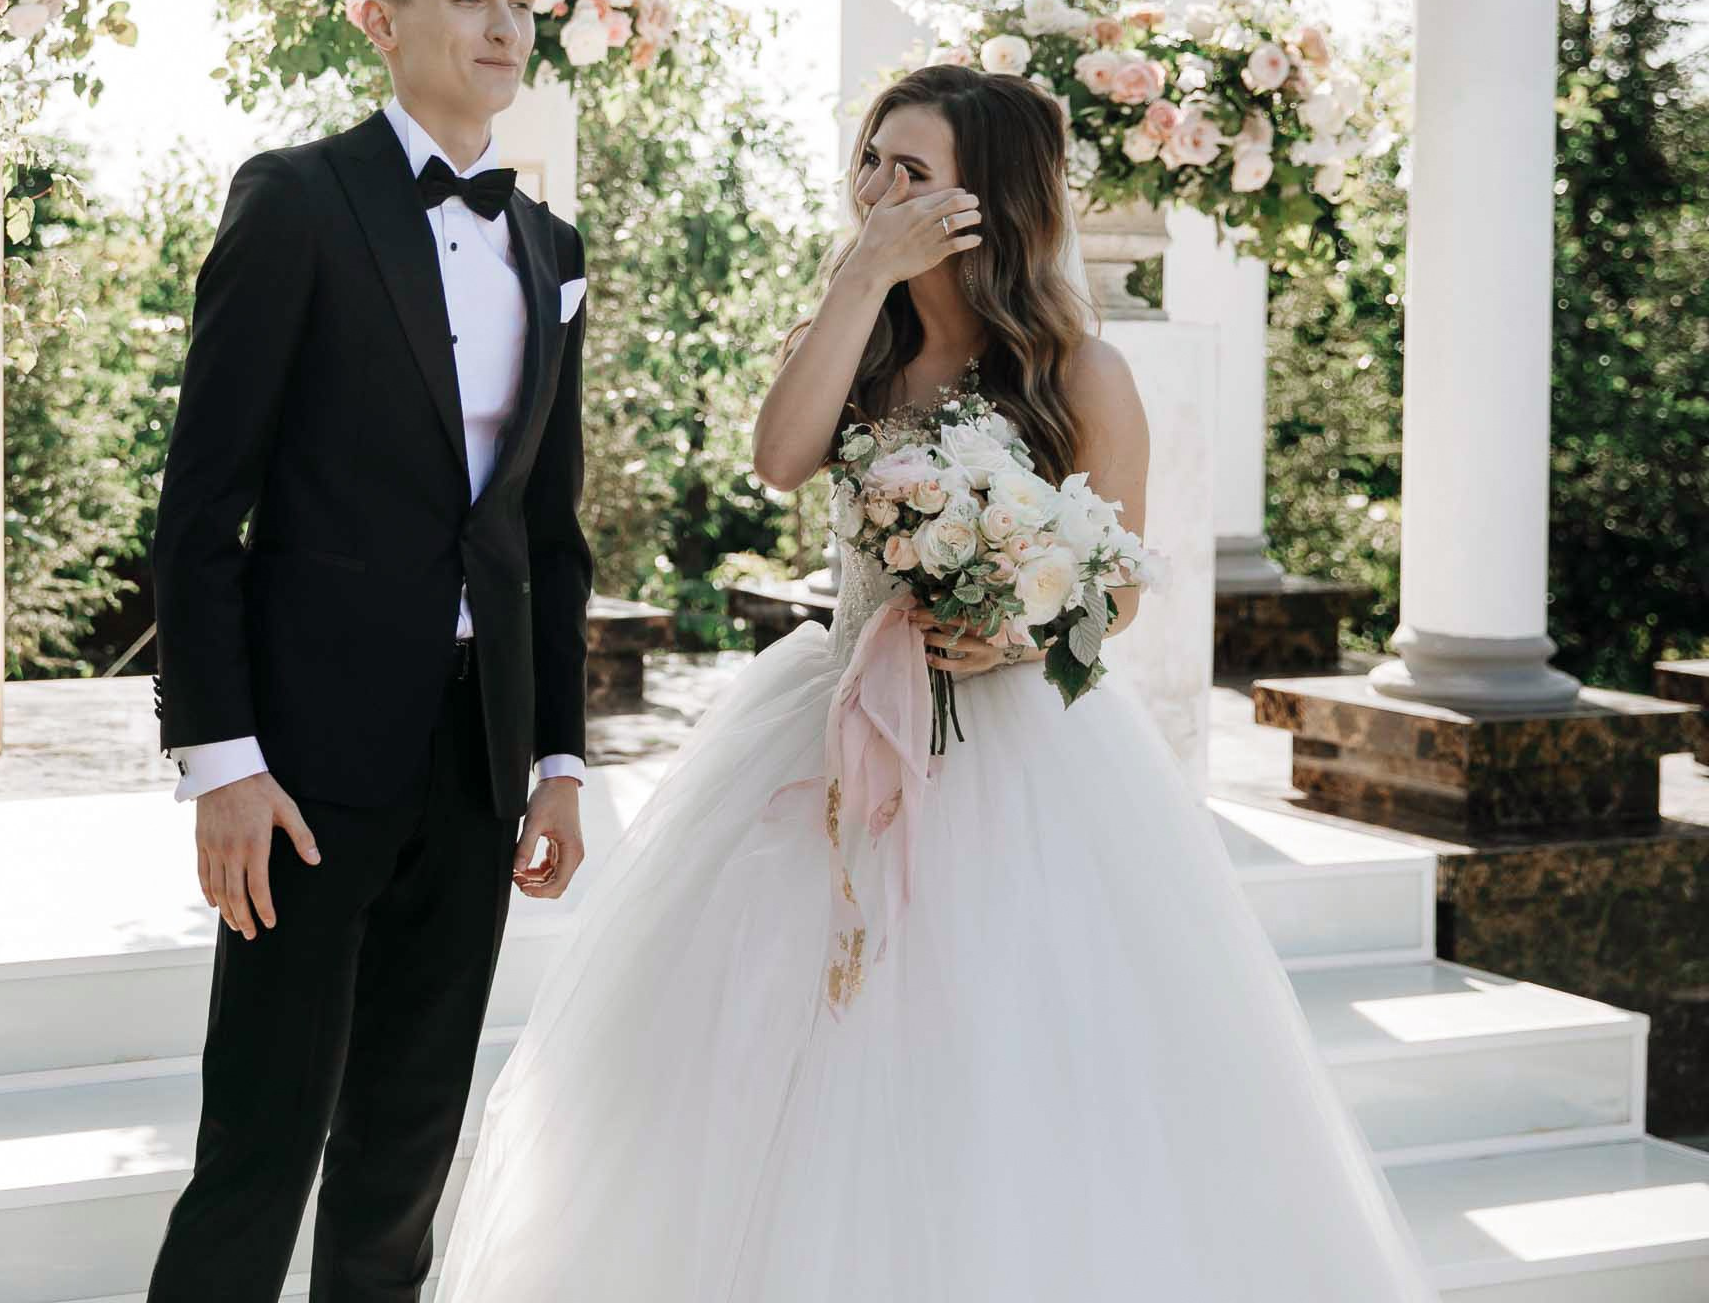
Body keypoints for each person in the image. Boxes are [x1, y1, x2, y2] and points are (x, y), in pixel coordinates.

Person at [440, 67, 1439, 1301]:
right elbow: (776, 459)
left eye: (913, 173)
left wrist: (1018, 631)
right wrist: (857, 277)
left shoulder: (1077, 370)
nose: (879, 188)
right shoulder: (855, 342)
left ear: (990, 199)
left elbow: (1117, 586)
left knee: (986, 1059)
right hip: (827, 722)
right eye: (872, 160)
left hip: (1011, 752)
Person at [146, 0, 593, 1303]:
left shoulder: (550, 250)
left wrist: (561, 758)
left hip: (477, 763)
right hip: (306, 767)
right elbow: (202, 504)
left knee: (406, 1157)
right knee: (261, 1147)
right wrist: (222, 757)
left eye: (521, 2)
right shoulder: (296, 199)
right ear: (378, 19)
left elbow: (547, 533)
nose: (504, 23)